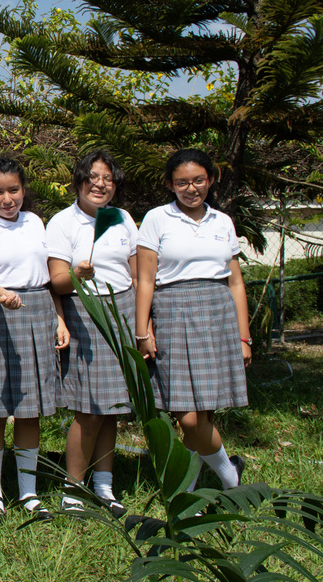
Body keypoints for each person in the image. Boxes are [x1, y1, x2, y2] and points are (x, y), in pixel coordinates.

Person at [135, 148, 251, 490]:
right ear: (171, 185)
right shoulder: (157, 218)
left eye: (198, 180)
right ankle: (230, 476)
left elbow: (235, 281)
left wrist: (244, 337)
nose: (191, 188)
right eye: (182, 182)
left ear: (210, 180)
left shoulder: (223, 222)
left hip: (218, 312)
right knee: (186, 413)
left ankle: (188, 492)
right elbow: (144, 279)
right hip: (174, 312)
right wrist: (143, 331)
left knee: (207, 410)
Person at [0, 156, 69, 521]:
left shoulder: (36, 222)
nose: (8, 198)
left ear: (23, 190)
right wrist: (2, 295)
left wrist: (58, 318)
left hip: (37, 311)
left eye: (14, 190)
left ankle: (28, 492)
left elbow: (47, 276)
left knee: (30, 408)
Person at [46, 151, 137, 515]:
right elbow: (56, 281)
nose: (100, 184)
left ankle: (104, 486)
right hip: (86, 311)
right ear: (79, 180)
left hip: (124, 311)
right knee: (89, 408)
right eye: (93, 177)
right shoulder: (63, 222)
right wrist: (78, 275)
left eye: (108, 179)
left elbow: (135, 272)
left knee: (113, 406)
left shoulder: (123, 218)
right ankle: (73, 489)